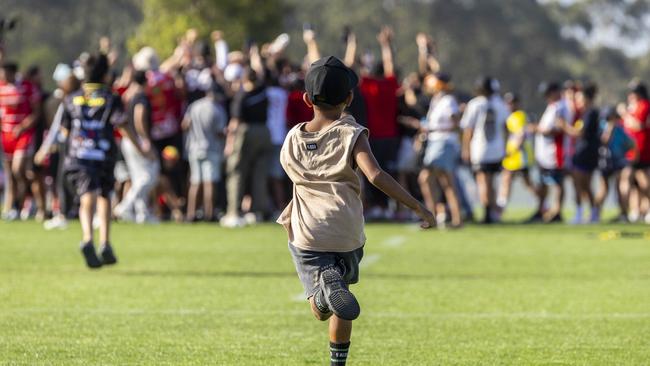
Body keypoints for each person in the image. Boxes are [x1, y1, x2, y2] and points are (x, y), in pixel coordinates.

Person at [277, 56, 435, 366]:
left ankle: (322, 294)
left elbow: (289, 171)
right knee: (342, 292)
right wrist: (418, 206)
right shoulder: (352, 132)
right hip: (346, 230)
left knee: (321, 307)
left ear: (307, 99)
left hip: (309, 232)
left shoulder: (293, 137)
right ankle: (338, 361)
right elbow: (375, 175)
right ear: (349, 99)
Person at [60, 53, 143, 268]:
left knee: (88, 194)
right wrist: (140, 146)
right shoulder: (111, 97)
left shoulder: (71, 98)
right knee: (103, 194)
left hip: (77, 156)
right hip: (103, 155)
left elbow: (64, 130)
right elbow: (122, 123)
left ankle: (89, 238)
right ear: (106, 75)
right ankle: (103, 241)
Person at [221, 60, 273, 227]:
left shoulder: (241, 96)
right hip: (264, 132)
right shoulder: (263, 91)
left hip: (246, 132)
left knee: (236, 171)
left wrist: (229, 144)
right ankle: (258, 211)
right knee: (260, 172)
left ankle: (233, 212)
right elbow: (261, 70)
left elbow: (235, 122)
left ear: (244, 79)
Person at [358, 27, 400, 219]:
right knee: (388, 172)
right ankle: (386, 206)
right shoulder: (391, 85)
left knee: (372, 172)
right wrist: (386, 45)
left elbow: (361, 70)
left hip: (373, 136)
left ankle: (376, 206)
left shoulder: (369, 85)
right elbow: (391, 65)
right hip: (390, 137)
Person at [417, 72, 463, 228]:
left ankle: (434, 218)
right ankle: (454, 219)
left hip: (443, 142)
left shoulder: (448, 100)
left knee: (427, 178)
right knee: (446, 182)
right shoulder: (437, 100)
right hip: (436, 141)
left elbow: (455, 119)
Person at [113, 70, 159, 223]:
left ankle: (142, 213)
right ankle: (124, 207)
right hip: (136, 140)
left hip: (129, 140)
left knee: (138, 177)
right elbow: (139, 118)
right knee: (147, 177)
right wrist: (145, 139)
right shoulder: (141, 97)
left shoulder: (132, 95)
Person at [461, 77, 508, 224]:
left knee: (483, 181)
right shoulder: (500, 104)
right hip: (497, 148)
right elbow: (505, 128)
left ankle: (487, 212)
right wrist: (505, 147)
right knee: (491, 182)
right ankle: (493, 212)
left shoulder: (475, 104)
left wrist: (465, 148)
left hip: (480, 149)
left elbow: (468, 129)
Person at [0, 61, 42, 221]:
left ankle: (22, 201)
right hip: (6, 136)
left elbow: (36, 112)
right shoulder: (1, 87)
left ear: (12, 73)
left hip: (23, 135)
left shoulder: (26, 86)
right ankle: (10, 208)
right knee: (10, 174)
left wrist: (23, 126)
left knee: (18, 170)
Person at [182, 82, 227, 222]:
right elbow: (220, 132)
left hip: (194, 147)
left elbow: (184, 125)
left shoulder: (194, 106)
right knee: (210, 182)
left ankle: (191, 213)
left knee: (195, 182)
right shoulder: (217, 109)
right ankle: (209, 213)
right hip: (211, 148)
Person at [530, 82, 571, 223]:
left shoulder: (561, 107)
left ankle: (557, 211)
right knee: (543, 182)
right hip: (544, 154)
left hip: (555, 152)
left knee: (557, 182)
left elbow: (558, 128)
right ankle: (541, 209)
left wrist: (538, 129)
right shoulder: (552, 106)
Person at [563, 83, 600, 224]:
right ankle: (593, 213)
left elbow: (579, 133)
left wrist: (563, 126)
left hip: (585, 154)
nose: (577, 101)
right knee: (585, 185)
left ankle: (580, 213)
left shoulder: (591, 113)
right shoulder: (586, 113)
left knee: (579, 184)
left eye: (579, 98)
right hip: (586, 153)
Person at [497, 92, 536, 217]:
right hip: (515, 156)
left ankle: (500, 209)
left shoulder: (518, 115)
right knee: (518, 181)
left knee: (509, 179)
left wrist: (512, 150)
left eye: (512, 102)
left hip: (518, 156)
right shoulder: (511, 116)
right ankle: (543, 204)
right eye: (508, 102)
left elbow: (521, 133)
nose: (510, 105)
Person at [596, 108, 636, 222]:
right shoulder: (601, 127)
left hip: (619, 162)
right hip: (605, 163)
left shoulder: (619, 129)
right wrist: (609, 129)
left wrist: (632, 158)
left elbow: (631, 144)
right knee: (604, 189)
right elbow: (604, 141)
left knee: (622, 186)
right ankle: (595, 213)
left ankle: (624, 213)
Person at [618, 82, 650, 223]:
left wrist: (624, 113)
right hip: (630, 150)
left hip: (641, 149)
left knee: (642, 180)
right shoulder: (633, 107)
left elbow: (638, 125)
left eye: (633, 92)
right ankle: (633, 211)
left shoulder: (644, 105)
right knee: (634, 182)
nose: (630, 95)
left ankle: (638, 211)